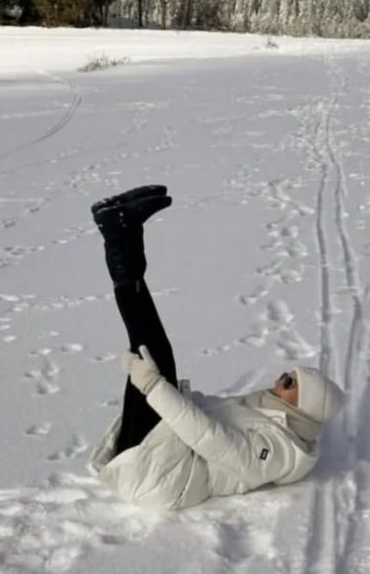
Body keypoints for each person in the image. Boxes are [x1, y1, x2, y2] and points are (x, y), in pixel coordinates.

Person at [87, 185, 345, 510]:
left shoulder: (282, 450)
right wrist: (167, 390)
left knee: (154, 351)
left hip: (163, 476)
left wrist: (154, 386)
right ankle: (121, 231)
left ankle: (120, 231)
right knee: (153, 349)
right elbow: (210, 416)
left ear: (306, 404)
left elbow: (212, 439)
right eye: (286, 374)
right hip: (161, 457)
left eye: (291, 382)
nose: (281, 380)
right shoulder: (270, 413)